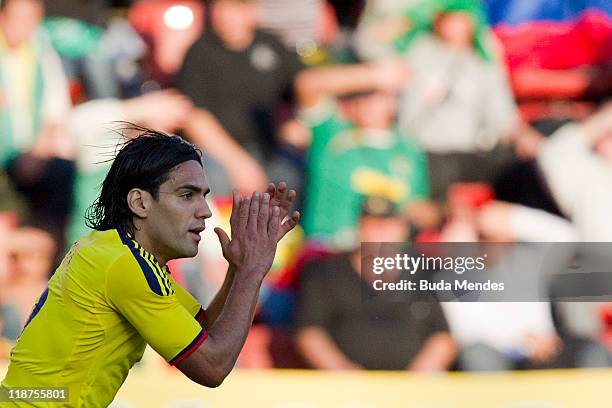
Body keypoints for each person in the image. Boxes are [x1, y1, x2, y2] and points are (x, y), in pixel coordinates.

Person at [0, 131, 300, 407]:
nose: (205, 211)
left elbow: (202, 332)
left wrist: (237, 269)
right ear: (140, 203)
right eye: (187, 195)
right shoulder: (125, 266)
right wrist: (252, 271)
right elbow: (212, 367)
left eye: (204, 196)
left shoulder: (113, 250)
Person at [295, 196, 456, 371]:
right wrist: (340, 370)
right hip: (346, 389)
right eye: (372, 226)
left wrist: (423, 372)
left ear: (403, 229)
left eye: (387, 226)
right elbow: (309, 331)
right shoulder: (326, 273)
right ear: (359, 228)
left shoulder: (425, 273)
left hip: (413, 389)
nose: (380, 233)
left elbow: (443, 336)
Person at [295, 60, 435, 249]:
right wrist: (375, 76)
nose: (365, 102)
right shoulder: (331, 132)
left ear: (393, 100)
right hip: (328, 247)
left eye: (375, 94)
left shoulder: (409, 150)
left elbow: (417, 206)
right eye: (358, 94)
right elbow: (307, 83)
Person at [177, 0, 304, 194]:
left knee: (292, 173)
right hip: (218, 154)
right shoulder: (199, 53)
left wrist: (295, 122)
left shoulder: (271, 45)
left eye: (234, 7)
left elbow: (302, 86)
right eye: (220, 7)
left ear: (252, 10)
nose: (225, 15)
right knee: (213, 180)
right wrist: (239, 164)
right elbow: (194, 118)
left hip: (268, 148)